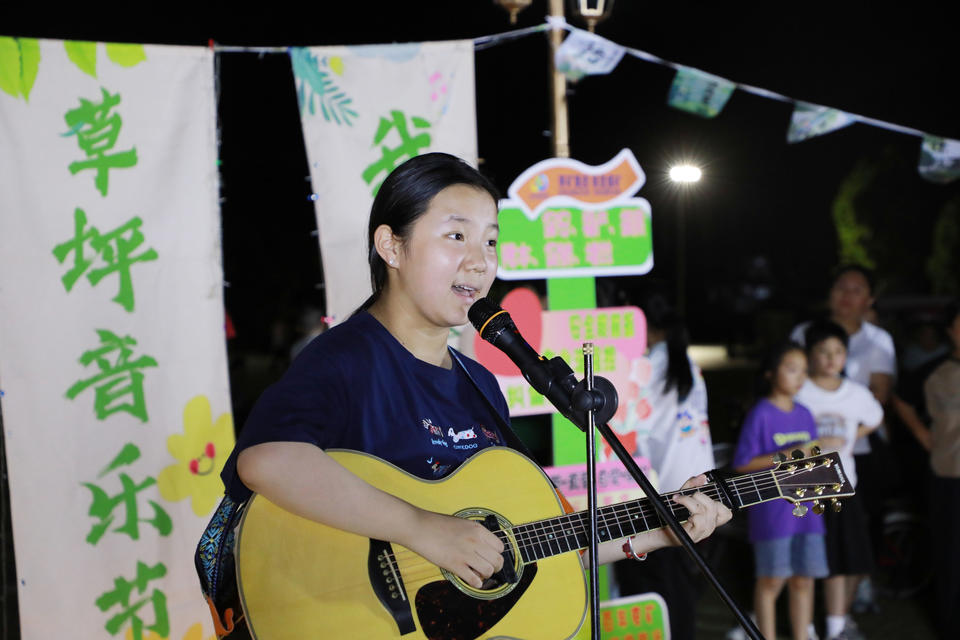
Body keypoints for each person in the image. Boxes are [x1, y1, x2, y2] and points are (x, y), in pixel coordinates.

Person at [194, 152, 732, 639]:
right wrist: (421, 528)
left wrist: (654, 533)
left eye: (490, 241)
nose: (479, 261)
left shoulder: (480, 383)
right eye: (456, 236)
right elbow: (267, 460)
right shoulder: (346, 358)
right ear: (391, 246)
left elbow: (525, 545)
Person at [789, 264, 895, 612]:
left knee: (859, 526)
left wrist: (848, 435)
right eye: (841, 288)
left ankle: (855, 592)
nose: (847, 296)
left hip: (858, 451)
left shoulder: (878, 340)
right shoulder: (805, 332)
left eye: (856, 289)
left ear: (870, 299)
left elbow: (880, 394)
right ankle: (807, 605)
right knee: (810, 529)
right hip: (809, 456)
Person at [611, 292, 716, 640]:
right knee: (681, 579)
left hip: (663, 490)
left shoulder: (646, 368)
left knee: (656, 580)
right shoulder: (687, 364)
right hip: (699, 484)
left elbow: (628, 429)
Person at [795, 321, 883, 640]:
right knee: (804, 562)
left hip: (843, 489)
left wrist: (851, 436)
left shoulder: (856, 394)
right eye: (823, 351)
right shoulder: (799, 390)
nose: (832, 359)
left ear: (846, 354)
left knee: (841, 560)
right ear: (809, 354)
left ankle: (835, 627)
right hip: (803, 490)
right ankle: (803, 627)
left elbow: (875, 418)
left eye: (838, 351)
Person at [733, 342, 827, 640]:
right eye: (791, 369)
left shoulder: (805, 413)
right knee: (772, 580)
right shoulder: (760, 414)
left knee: (804, 579)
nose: (800, 377)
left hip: (808, 509)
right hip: (773, 511)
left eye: (804, 371)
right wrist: (787, 455)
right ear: (771, 373)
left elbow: (812, 455)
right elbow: (742, 463)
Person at [920, 301, 960, 640]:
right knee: (951, 555)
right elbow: (900, 399)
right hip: (951, 476)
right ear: (951, 330)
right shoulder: (935, 372)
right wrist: (925, 437)